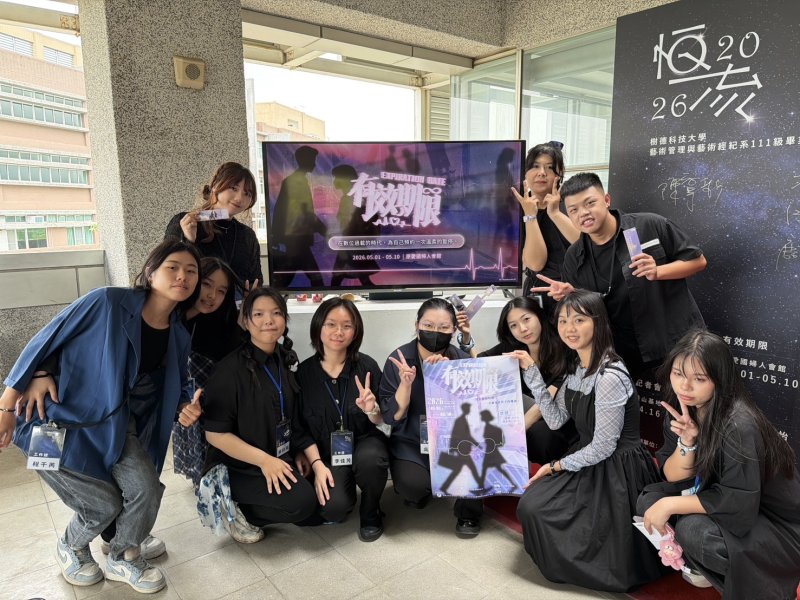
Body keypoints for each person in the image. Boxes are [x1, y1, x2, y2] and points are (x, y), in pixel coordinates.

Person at [0, 240, 203, 594]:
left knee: (146, 489)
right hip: (53, 419)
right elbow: (48, 338)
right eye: (173, 267)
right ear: (151, 271)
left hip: (114, 425)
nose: (182, 276)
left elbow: (170, 385)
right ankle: (71, 546)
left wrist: (184, 405)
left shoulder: (178, 334)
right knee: (101, 505)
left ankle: (123, 553)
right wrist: (7, 405)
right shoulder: (107, 302)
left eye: (191, 271)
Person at [515, 289, 665, 592]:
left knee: (537, 508)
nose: (569, 328)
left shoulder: (610, 375)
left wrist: (554, 466)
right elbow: (555, 420)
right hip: (588, 456)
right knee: (532, 505)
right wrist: (532, 374)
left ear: (598, 323)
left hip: (618, 469)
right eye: (563, 321)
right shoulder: (577, 368)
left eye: (579, 320)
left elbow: (605, 446)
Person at [638, 330, 800, 599]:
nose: (684, 386)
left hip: (777, 526)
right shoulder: (683, 407)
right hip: (726, 500)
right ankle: (705, 567)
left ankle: (759, 581)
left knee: (693, 532)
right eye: (678, 374)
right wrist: (687, 442)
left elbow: (738, 501)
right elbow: (673, 475)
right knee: (649, 501)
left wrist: (670, 505)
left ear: (719, 379)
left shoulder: (738, 424)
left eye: (699, 379)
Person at [533, 172, 707, 377]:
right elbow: (587, 309)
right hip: (622, 355)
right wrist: (573, 295)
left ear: (607, 200)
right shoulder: (574, 255)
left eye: (590, 203)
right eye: (574, 210)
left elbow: (698, 261)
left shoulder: (647, 226)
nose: (583, 213)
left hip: (675, 345)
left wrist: (658, 271)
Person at [201, 287, 321, 541]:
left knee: (320, 508)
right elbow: (215, 435)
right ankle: (232, 508)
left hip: (276, 454)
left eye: (276, 313)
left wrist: (297, 451)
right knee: (303, 503)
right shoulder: (229, 370)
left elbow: (289, 416)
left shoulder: (285, 360)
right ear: (245, 321)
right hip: (239, 465)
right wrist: (265, 461)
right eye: (258, 314)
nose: (269, 320)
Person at [379, 298, 484, 537]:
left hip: (454, 440)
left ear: (454, 330)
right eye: (428, 325)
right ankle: (422, 489)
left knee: (475, 460)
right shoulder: (398, 360)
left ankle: (468, 515)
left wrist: (449, 377)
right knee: (412, 486)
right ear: (416, 325)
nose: (435, 332)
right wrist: (405, 387)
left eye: (444, 327)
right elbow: (391, 417)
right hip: (412, 440)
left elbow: (477, 411)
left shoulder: (461, 360)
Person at [296, 298, 389, 541]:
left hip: (365, 442)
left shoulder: (367, 366)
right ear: (318, 327)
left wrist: (371, 409)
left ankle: (371, 511)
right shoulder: (303, 374)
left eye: (347, 326)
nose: (339, 332)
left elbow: (382, 421)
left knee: (372, 460)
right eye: (331, 324)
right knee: (333, 509)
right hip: (327, 453)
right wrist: (317, 464)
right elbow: (299, 427)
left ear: (355, 331)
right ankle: (343, 493)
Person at [478, 296, 578, 464]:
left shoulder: (564, 350)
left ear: (539, 316)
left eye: (526, 319)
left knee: (540, 433)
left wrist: (510, 436)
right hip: (522, 416)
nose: (522, 329)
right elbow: (480, 362)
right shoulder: (512, 347)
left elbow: (542, 407)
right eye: (513, 325)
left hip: (556, 422)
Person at [172, 257, 244, 489]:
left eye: (221, 291)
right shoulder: (171, 317)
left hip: (211, 395)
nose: (212, 295)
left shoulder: (223, 321)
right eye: (207, 284)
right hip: (182, 397)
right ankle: (198, 478)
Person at [165, 161, 262, 291]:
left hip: (235, 303)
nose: (239, 198)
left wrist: (252, 294)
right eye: (234, 188)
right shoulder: (184, 222)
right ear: (215, 186)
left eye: (247, 193)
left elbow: (256, 280)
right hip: (193, 301)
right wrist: (189, 240)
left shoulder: (247, 235)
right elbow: (170, 270)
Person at [511, 142, 579, 314]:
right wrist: (530, 216)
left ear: (560, 173)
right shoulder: (517, 209)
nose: (542, 173)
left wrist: (555, 213)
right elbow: (535, 264)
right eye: (535, 166)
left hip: (571, 292)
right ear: (525, 172)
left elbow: (585, 242)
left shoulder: (572, 203)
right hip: (537, 293)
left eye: (549, 167)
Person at [269, 145, 326, 288]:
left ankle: (276, 295)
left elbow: (281, 208)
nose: (314, 164)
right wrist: (325, 231)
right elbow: (304, 212)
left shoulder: (295, 180)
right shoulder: (296, 182)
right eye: (313, 160)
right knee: (315, 277)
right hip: (297, 239)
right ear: (305, 160)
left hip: (295, 239)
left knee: (287, 278)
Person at [330, 164, 380, 287]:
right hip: (351, 243)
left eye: (336, 177)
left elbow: (353, 222)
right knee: (361, 277)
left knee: (338, 277)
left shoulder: (352, 198)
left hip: (351, 244)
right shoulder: (353, 197)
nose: (334, 181)